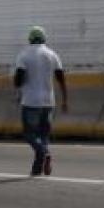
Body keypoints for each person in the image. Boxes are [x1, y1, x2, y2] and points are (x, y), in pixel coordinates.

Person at [13, 26, 68, 176]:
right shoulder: (52, 54)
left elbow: (18, 78)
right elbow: (61, 78)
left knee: (29, 134)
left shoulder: (24, 55)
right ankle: (37, 169)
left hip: (30, 101)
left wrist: (17, 90)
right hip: (49, 102)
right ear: (44, 38)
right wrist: (65, 100)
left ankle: (45, 153)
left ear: (30, 39)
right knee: (43, 136)